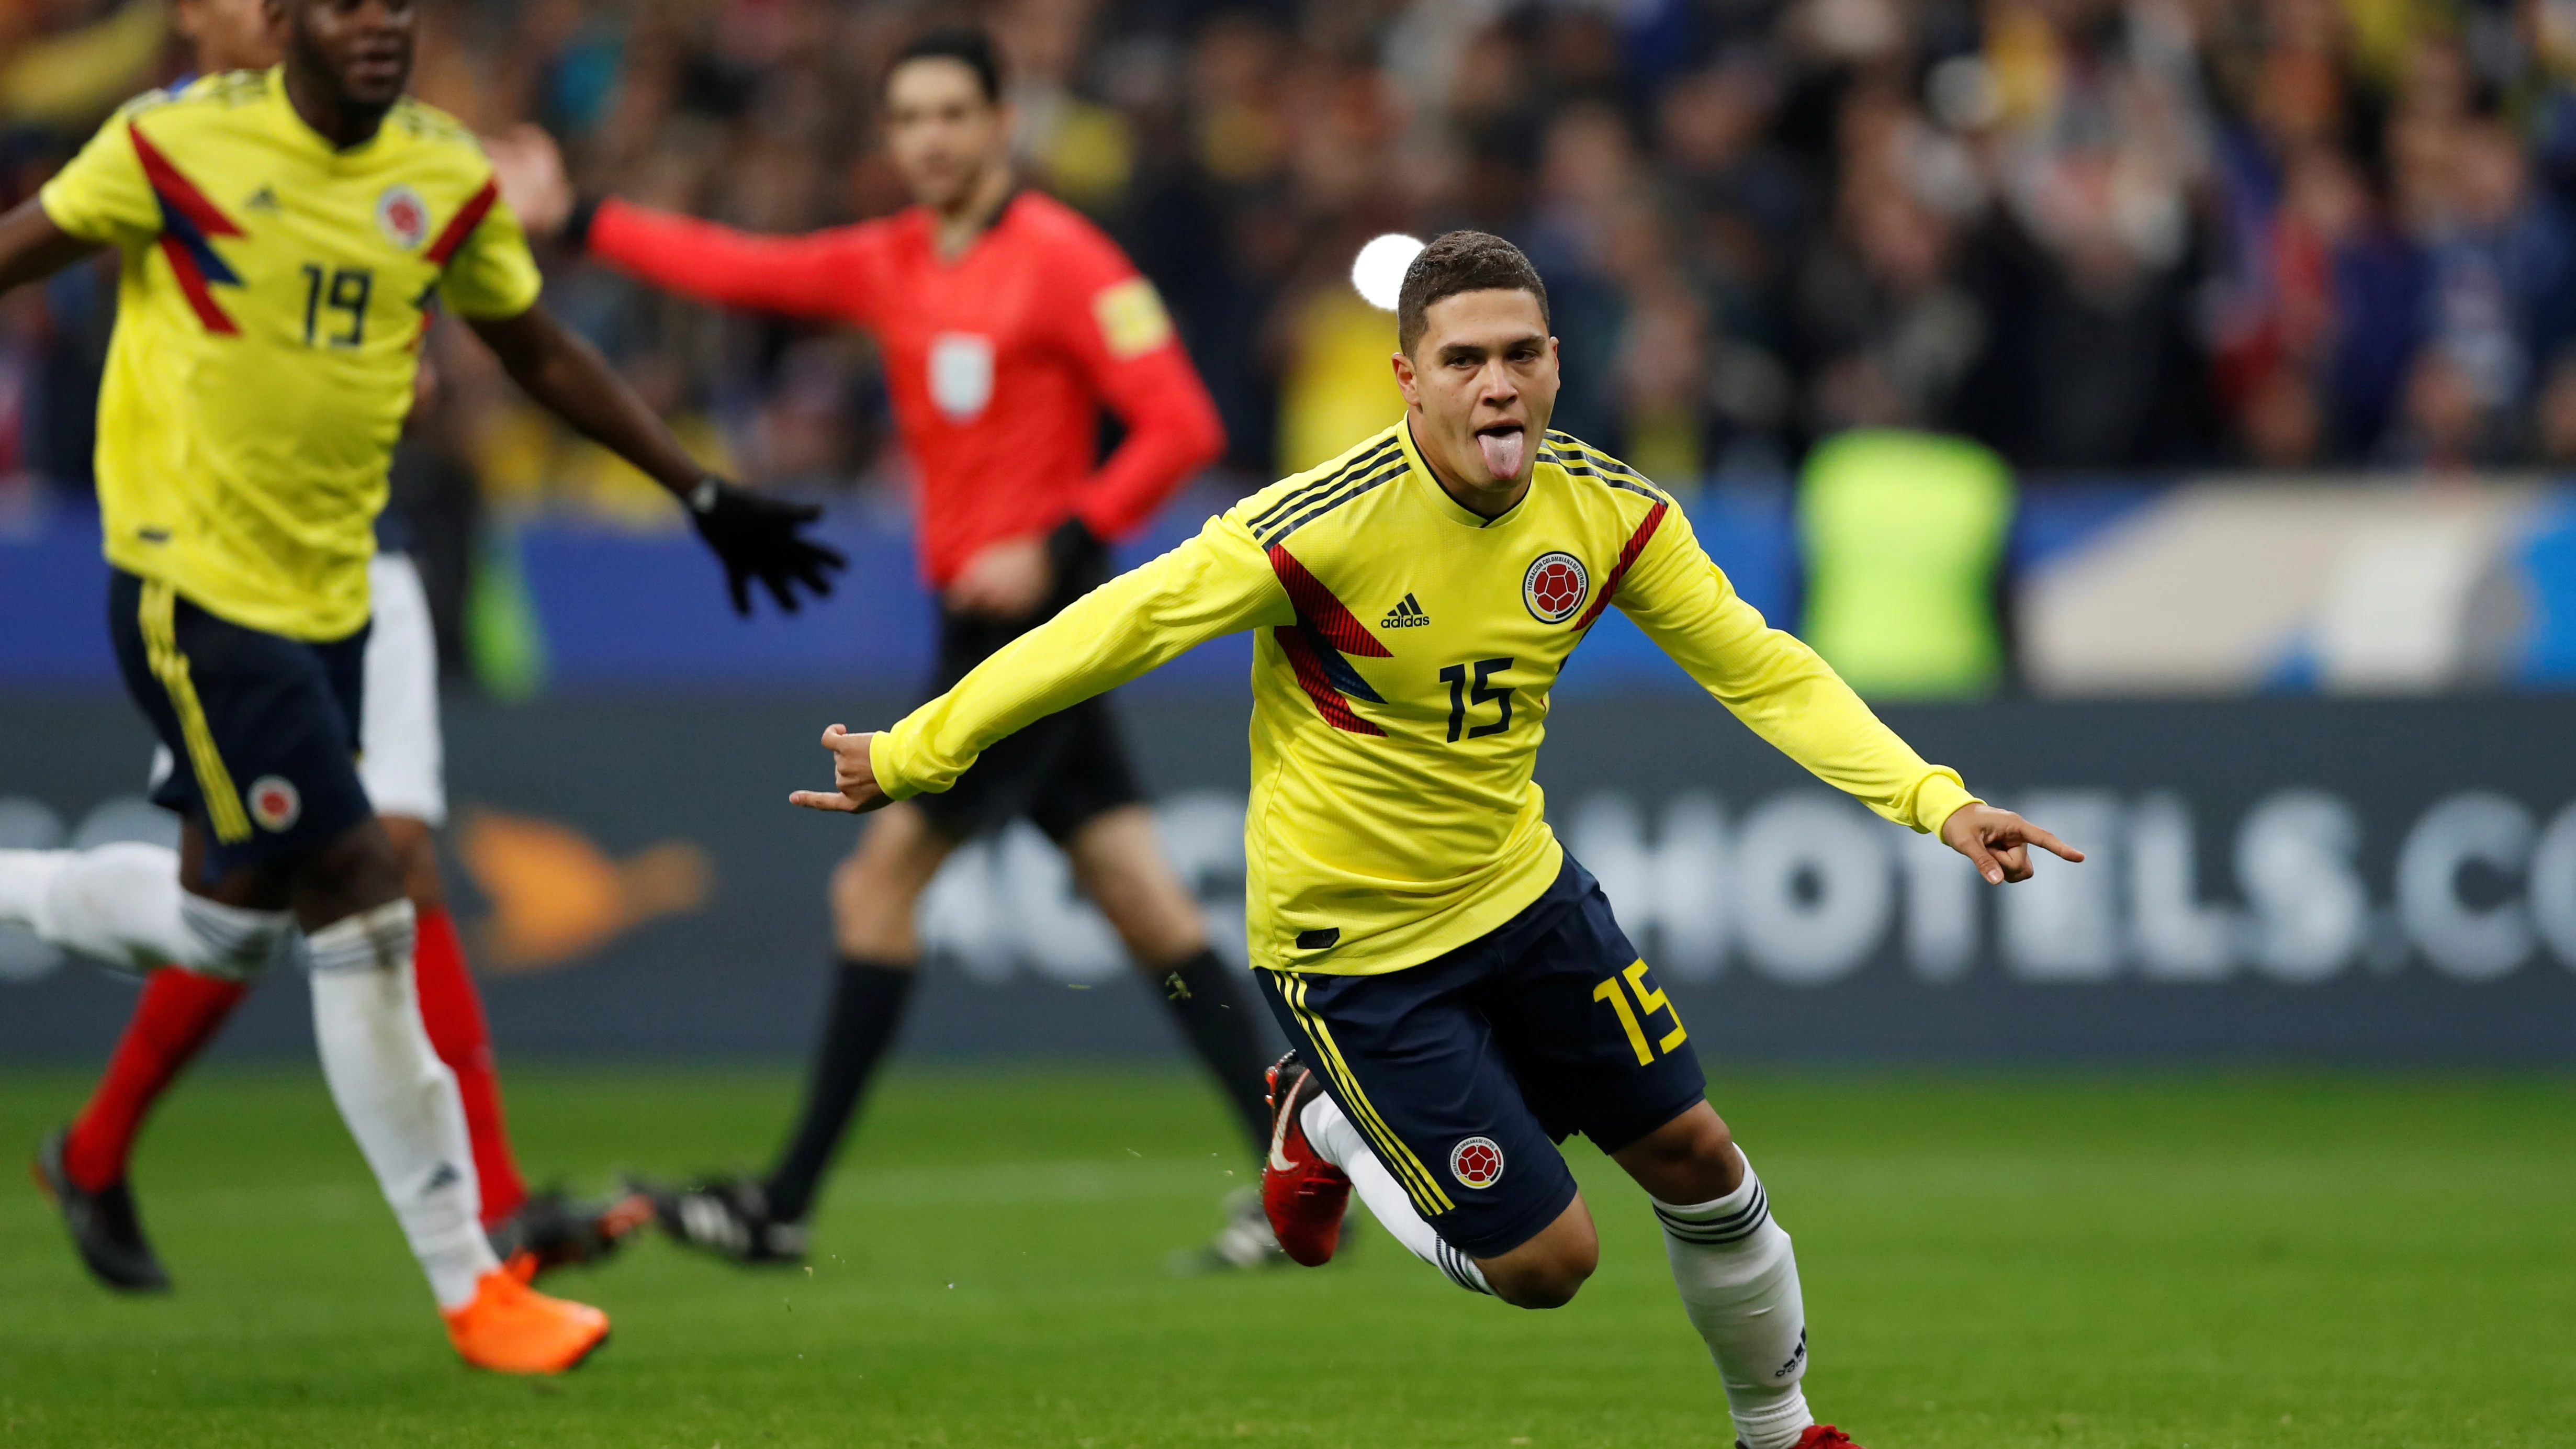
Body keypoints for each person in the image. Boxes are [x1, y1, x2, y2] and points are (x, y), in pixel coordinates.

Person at [786, 231, 2084, 1449]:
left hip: (1522, 898)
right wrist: (918, 747)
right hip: (1352, 948)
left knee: (1699, 1155)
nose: (1497, 384)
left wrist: (1936, 799)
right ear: (1409, 380)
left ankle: (1782, 1432)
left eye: (1522, 354)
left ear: (1556, 366)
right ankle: (1325, 1123)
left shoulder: (1608, 514)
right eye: (1463, 360)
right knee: (1549, 1266)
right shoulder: (1316, 526)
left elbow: (1765, 671)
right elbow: (1112, 627)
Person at [0, 0, 840, 1374]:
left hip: (334, 602)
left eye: (399, 0)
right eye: (346, 1)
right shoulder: (173, 146)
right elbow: (18, 253)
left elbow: (536, 350)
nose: (380, 22)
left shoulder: (439, 174)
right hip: (194, 592)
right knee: (363, 879)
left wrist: (701, 489)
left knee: (229, 932)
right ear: (283, 19)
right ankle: (477, 1279)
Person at [495, 27, 1276, 1268]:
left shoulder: (1066, 261)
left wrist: (1055, 534)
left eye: (952, 115)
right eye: (908, 117)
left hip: (1045, 618)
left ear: (1002, 121)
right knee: (1142, 900)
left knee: (875, 885)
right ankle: (1298, 1178)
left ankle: (785, 1200)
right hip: (973, 620)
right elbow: (740, 269)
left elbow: (1181, 422)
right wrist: (579, 216)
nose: (930, 139)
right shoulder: (891, 260)